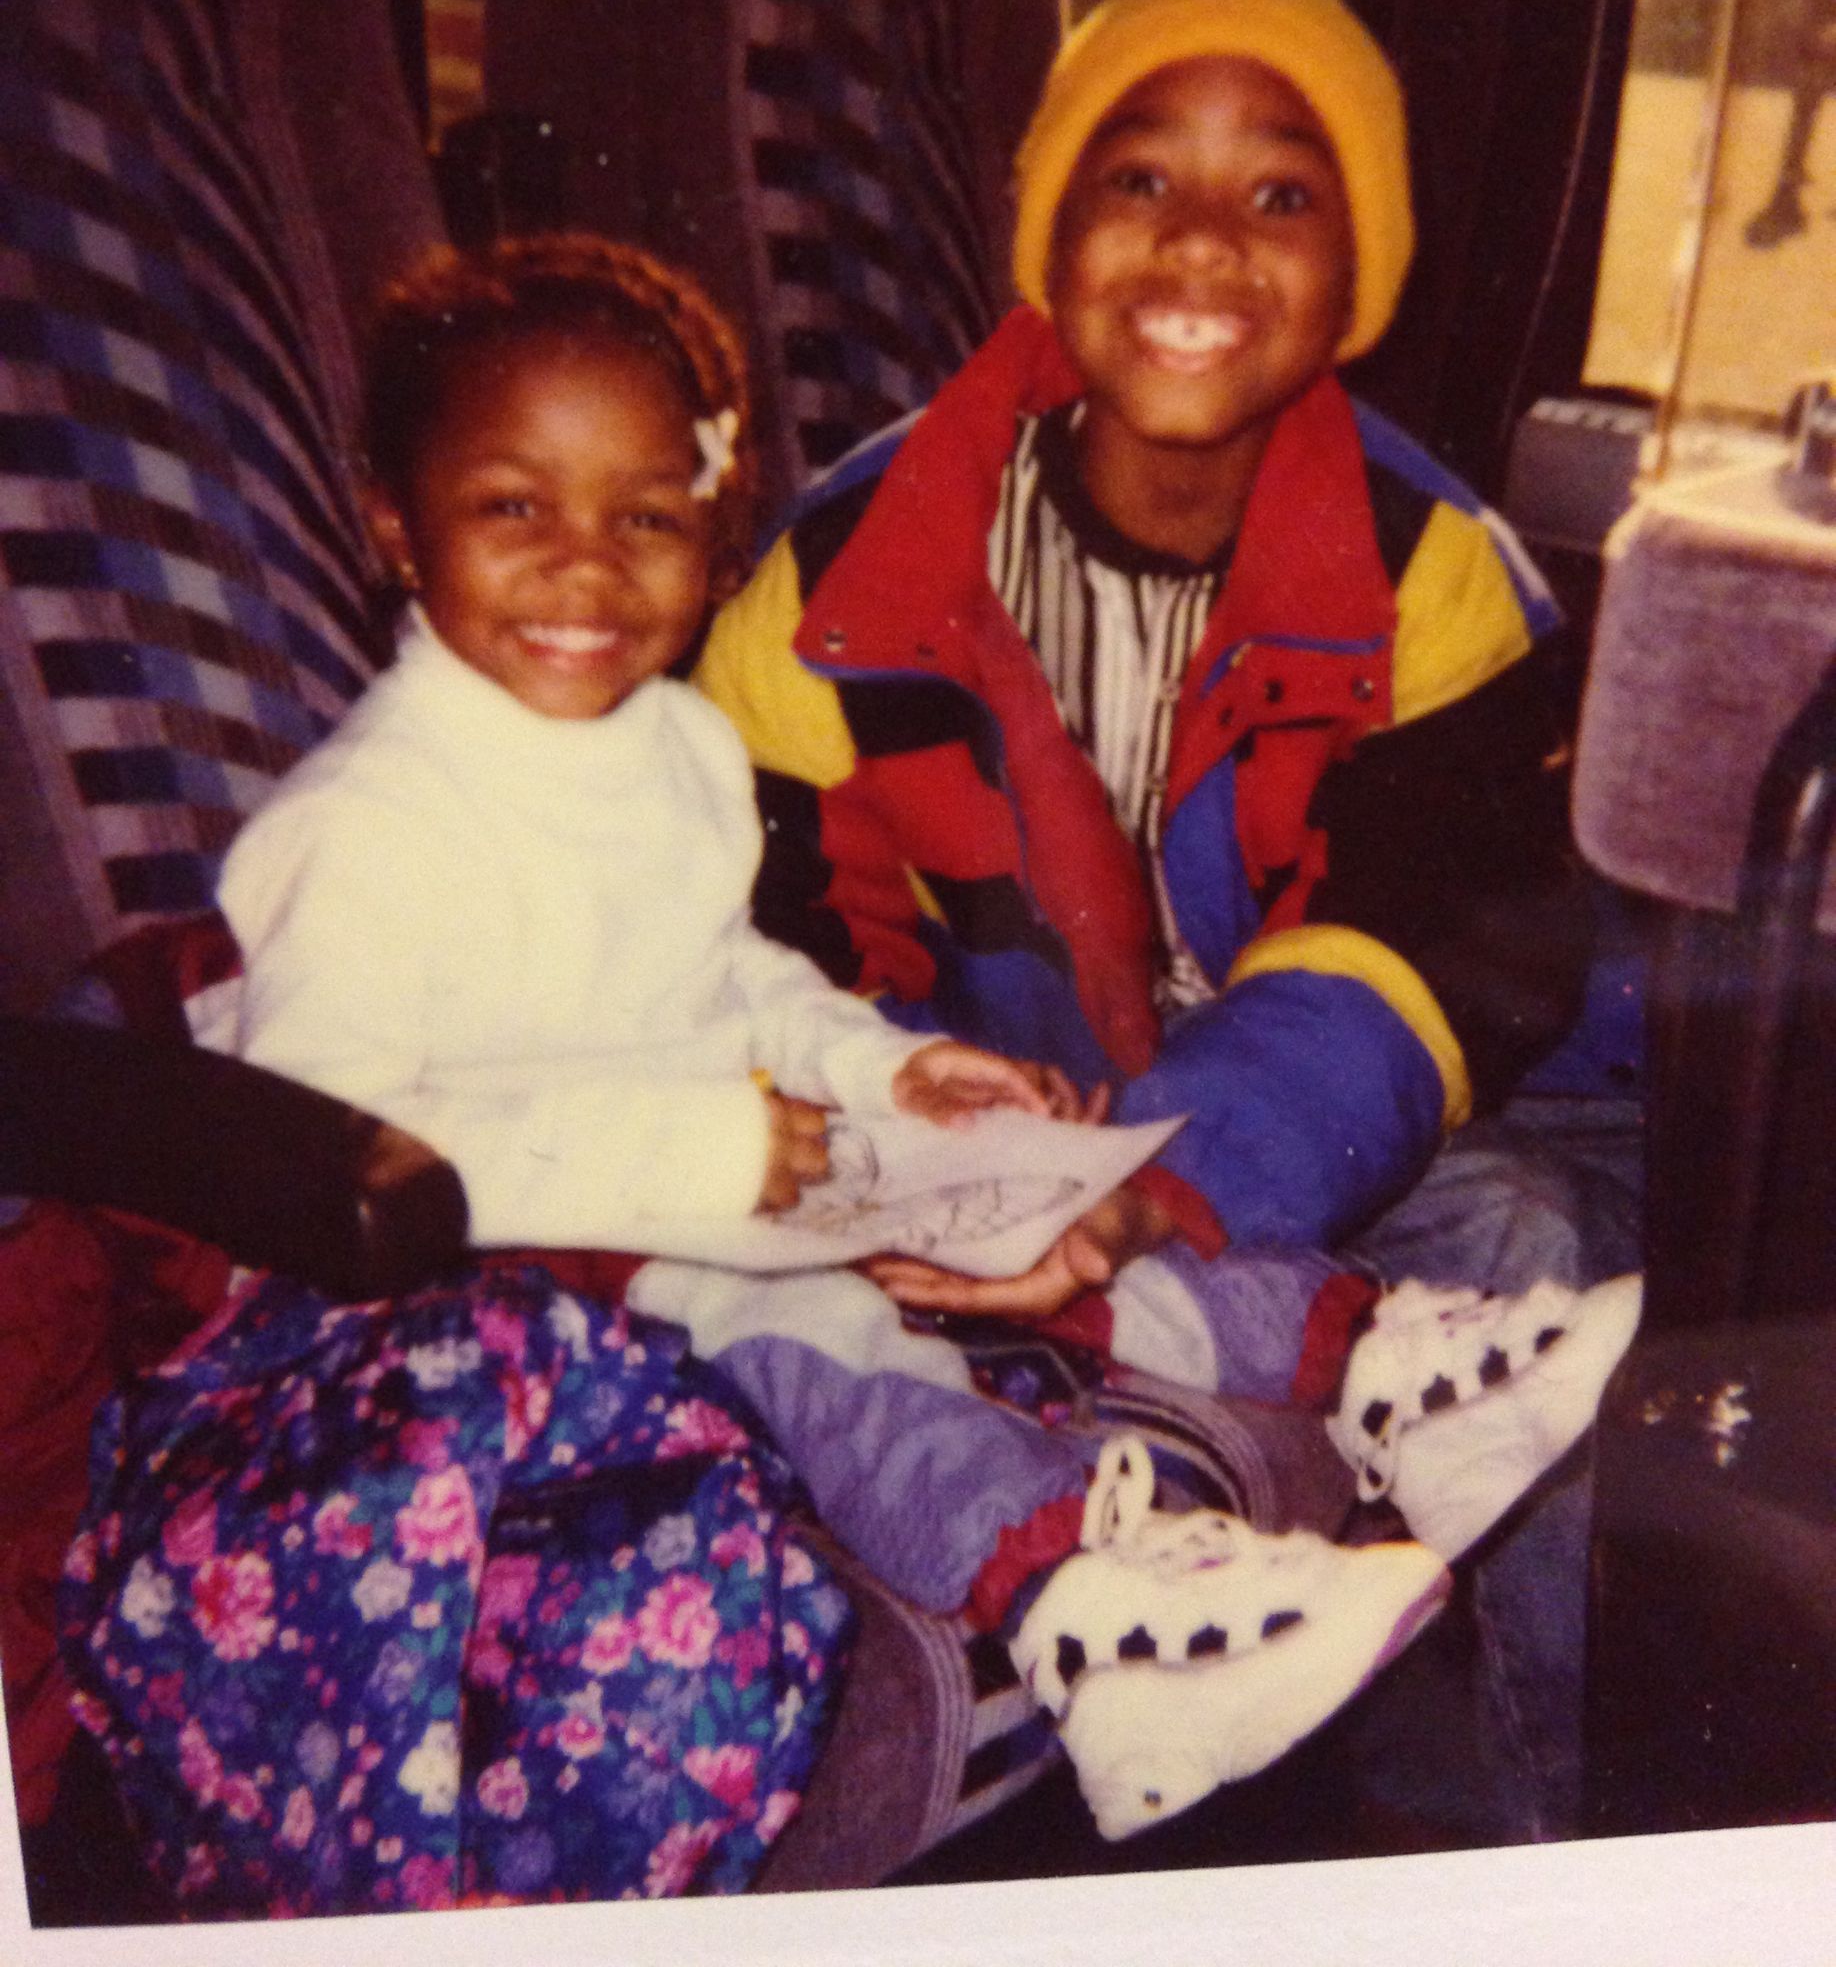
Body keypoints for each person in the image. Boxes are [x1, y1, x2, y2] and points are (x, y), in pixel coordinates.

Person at [201, 228, 1636, 1843]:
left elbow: (727, 974)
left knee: (1030, 1225)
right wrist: (699, 1159)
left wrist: (882, 1070)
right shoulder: (366, 823)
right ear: (399, 524)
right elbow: (317, 1144)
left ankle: (1392, 1372)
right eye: (514, 509)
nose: (588, 570)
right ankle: (1089, 1613)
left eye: (649, 518)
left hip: (722, 1158)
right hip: (523, 1264)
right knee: (838, 1352)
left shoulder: (667, 743)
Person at [694, 0, 1644, 1828]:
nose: (1204, 245)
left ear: (1358, 266)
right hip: (996, 1115)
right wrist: (931, 1149)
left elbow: (1428, 958)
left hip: (1340, 1108)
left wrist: (1139, 1190)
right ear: (1052, 233)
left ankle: (1566, 1851)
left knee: (1523, 1238)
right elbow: (758, 944)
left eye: (1282, 194)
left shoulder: (1431, 574)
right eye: (1139, 182)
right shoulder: (843, 579)